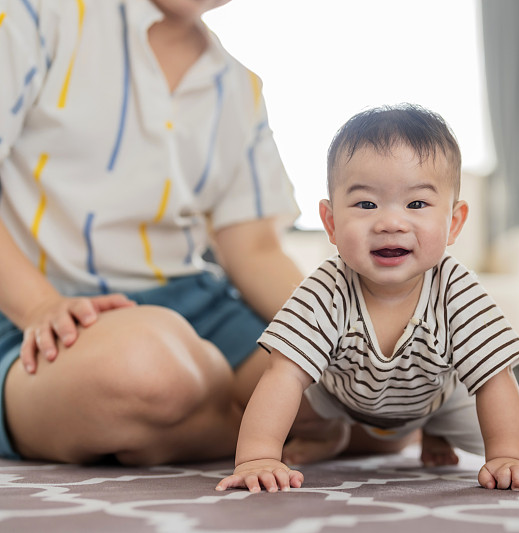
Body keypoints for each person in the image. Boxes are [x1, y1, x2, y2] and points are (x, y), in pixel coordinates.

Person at [0, 0, 320, 465]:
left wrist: (338, 336)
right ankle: (264, 428)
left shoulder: (239, 86)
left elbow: (255, 249)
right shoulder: (35, 15)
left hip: (197, 306)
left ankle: (205, 421)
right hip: (28, 308)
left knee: (342, 387)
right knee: (145, 372)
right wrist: (39, 306)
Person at [216, 104, 519, 492]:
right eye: (366, 204)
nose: (390, 222)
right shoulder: (327, 287)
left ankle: (435, 431)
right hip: (340, 398)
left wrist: (508, 455)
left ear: (453, 223)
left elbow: (495, 377)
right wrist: (258, 456)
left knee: (495, 424)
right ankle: (329, 434)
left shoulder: (457, 288)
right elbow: (284, 375)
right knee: (279, 400)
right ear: (332, 223)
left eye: (417, 204)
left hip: (437, 399)